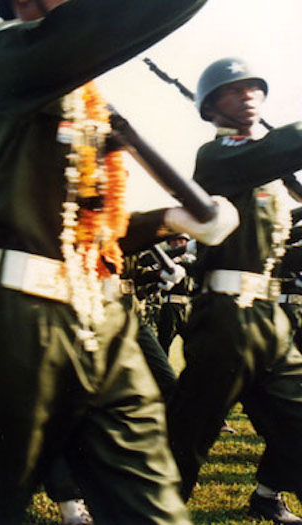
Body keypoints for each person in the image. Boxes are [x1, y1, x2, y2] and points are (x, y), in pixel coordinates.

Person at [0, 1, 240, 524]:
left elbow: (96, 227)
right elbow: (114, 19)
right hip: (27, 319)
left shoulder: (80, 93)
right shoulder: (7, 56)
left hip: (105, 316)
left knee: (152, 502)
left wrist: (171, 218)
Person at [167, 57, 302, 524]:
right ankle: (147, 512)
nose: (248, 96)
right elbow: (272, 153)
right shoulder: (219, 157)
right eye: (234, 90)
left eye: (254, 88)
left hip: (271, 318)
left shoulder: (266, 172)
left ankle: (267, 494)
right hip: (225, 315)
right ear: (209, 106)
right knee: (190, 432)